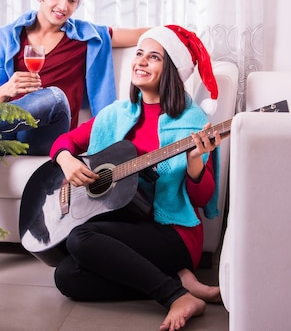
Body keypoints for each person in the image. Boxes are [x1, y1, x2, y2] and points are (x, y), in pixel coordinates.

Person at [0, 0, 149, 298]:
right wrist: (5, 91)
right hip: (5, 132)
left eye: (72, 0)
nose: (64, 6)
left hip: (51, 133)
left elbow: (146, 36)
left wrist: (184, 35)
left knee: (51, 95)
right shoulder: (4, 38)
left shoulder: (89, 37)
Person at [48, 25, 222, 331]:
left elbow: (201, 198)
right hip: (128, 225)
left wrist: (195, 164)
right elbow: (65, 142)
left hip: (173, 232)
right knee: (66, 276)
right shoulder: (117, 113)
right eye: (139, 53)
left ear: (171, 69)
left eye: (153, 57)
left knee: (80, 238)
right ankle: (175, 277)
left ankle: (177, 296)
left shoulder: (191, 122)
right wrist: (66, 160)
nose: (140, 61)